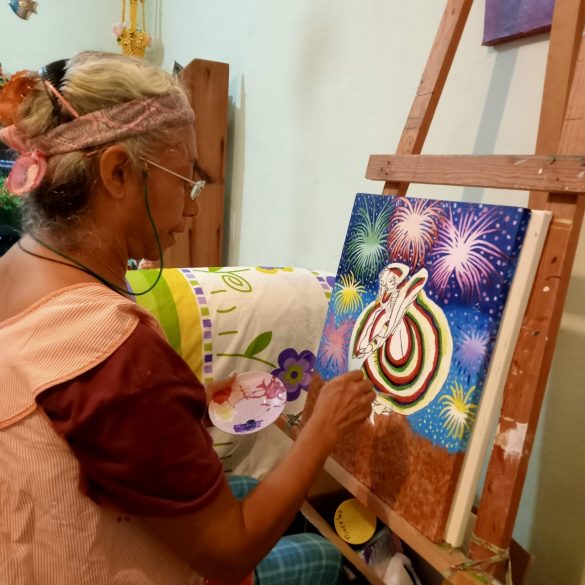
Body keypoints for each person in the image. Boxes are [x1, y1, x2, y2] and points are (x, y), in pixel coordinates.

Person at [0, 52, 374, 585]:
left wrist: (176, 407)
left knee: (247, 488)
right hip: (72, 559)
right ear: (118, 172)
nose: (193, 208)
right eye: (187, 180)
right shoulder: (113, 352)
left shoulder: (15, 264)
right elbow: (231, 554)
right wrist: (323, 428)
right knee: (322, 554)